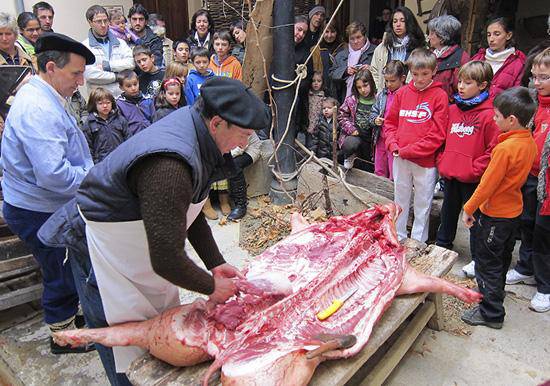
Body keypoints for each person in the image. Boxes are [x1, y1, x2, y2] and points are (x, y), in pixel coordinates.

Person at [37, 76, 271, 384]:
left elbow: (190, 207)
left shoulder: (197, 131)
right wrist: (213, 288)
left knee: (161, 333)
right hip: (102, 248)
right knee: (124, 341)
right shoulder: (170, 164)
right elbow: (166, 258)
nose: (243, 144)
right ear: (217, 123)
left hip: (138, 242)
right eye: (243, 134)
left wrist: (215, 262)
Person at [1, 32, 95, 354]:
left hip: (45, 201)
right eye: (76, 73)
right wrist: (92, 178)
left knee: (67, 264)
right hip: (37, 207)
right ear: (52, 67)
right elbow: (53, 174)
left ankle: (68, 317)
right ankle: (62, 336)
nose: (80, 82)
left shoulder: (48, 94)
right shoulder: (38, 108)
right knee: (61, 265)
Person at [461, 87, 537, 329]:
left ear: (511, 120)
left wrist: (469, 207)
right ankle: (493, 292)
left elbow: (488, 184)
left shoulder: (505, 149)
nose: (494, 120)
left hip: (495, 215)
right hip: (513, 212)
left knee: (487, 262)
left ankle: (491, 313)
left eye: (496, 117)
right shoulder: (528, 142)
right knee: (502, 259)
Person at [435, 61, 499, 278]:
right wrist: (443, 161)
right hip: (450, 172)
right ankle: (442, 245)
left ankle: (477, 258)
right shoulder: (453, 110)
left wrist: (474, 168)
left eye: (468, 83)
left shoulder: (489, 115)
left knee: (473, 218)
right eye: (460, 81)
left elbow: (493, 149)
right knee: (448, 211)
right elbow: (443, 139)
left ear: (482, 85)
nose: (460, 86)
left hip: (473, 178)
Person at [384, 48, 448, 242]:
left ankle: (418, 241)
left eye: (425, 74)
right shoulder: (402, 93)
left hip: (425, 161)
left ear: (434, 71)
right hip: (400, 156)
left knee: (423, 203)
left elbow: (437, 135)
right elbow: (390, 123)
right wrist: (392, 144)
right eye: (416, 74)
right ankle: (399, 236)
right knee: (400, 198)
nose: (420, 79)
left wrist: (408, 150)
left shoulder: (439, 96)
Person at [506, 48, 550, 313]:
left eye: (543, 77)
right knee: (527, 224)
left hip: (548, 185)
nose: (536, 83)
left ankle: (545, 286)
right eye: (533, 77)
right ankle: (525, 268)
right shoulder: (534, 103)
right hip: (531, 176)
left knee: (545, 234)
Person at [370, 6, 426, 93]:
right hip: (386, 96)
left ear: (409, 23)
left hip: (410, 95)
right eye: (395, 21)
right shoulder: (382, 47)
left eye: (402, 21)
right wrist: (379, 91)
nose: (398, 24)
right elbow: (374, 71)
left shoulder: (419, 47)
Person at [82, 5, 134, 98]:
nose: (103, 25)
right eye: (98, 21)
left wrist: (108, 66)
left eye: (105, 21)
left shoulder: (121, 43)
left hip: (123, 99)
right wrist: (118, 77)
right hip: (100, 102)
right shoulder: (85, 46)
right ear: (90, 22)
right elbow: (90, 74)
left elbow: (130, 63)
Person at [368, 60, 407, 179]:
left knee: (394, 170)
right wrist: (375, 120)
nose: (389, 84)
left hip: (396, 140)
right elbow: (373, 112)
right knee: (379, 168)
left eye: (392, 81)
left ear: (403, 78)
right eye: (386, 81)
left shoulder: (406, 95)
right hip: (381, 137)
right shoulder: (382, 95)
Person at [471, 17, 526, 97]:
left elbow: (516, 96)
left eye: (497, 34)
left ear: (508, 35)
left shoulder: (518, 63)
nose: (491, 39)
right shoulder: (478, 58)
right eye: (489, 35)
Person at [337, 69, 377, 171]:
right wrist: (351, 129)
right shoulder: (352, 100)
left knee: (368, 165)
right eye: (359, 87)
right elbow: (341, 116)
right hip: (356, 133)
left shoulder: (378, 99)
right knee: (350, 144)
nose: (363, 90)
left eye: (365, 85)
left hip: (372, 138)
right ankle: (348, 156)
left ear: (371, 83)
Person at [329, 21, 377, 102]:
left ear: (365, 36)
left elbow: (384, 73)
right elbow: (331, 74)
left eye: (358, 37)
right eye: (352, 38)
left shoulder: (376, 51)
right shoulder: (341, 55)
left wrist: (371, 70)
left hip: (370, 99)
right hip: (344, 98)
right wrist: (345, 71)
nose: (355, 41)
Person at [427, 15, 470, 102]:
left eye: (432, 33)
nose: (429, 37)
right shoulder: (429, 55)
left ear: (442, 37)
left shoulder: (461, 58)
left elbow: (461, 89)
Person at [83, 87, 130, 164]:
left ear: (112, 103)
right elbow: (88, 147)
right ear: (94, 105)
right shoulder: (90, 123)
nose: (105, 106)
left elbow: (128, 138)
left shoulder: (120, 119)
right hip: (101, 163)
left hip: (121, 159)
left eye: (108, 103)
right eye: (100, 103)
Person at [227, 132, 262, 221]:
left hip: (250, 149)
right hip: (230, 148)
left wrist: (222, 157)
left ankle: (241, 205)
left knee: (234, 166)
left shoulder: (245, 123)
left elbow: (240, 149)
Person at [115, 69, 154, 135]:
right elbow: (122, 126)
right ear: (121, 88)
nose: (133, 88)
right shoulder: (119, 104)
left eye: (135, 84)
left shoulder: (148, 100)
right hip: (133, 138)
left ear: (138, 82)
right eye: (128, 86)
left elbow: (154, 119)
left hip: (151, 134)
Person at [128, 3, 163, 68]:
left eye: (141, 19)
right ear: (130, 20)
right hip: (130, 76)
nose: (137, 23)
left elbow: (156, 62)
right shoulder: (125, 38)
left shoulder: (155, 40)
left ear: (146, 21)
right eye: (134, 19)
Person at [306, 71, 326, 146]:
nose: (316, 83)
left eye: (319, 81)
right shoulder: (308, 94)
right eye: (313, 81)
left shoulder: (324, 95)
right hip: (309, 123)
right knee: (309, 144)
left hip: (320, 123)